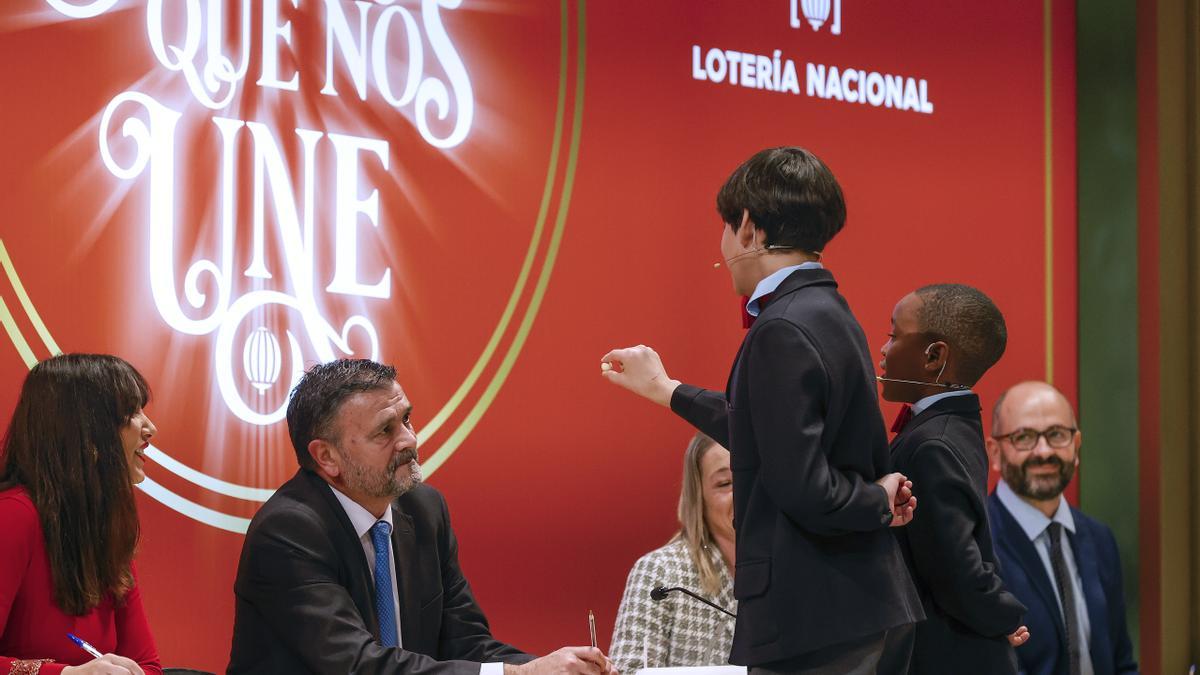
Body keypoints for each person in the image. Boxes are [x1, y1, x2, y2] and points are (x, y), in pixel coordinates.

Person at [602, 146, 923, 674]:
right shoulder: (828, 311)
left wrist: (876, 501)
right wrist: (667, 389)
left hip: (814, 621)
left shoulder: (781, 328)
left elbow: (802, 484)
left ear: (747, 227)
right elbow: (767, 433)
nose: (723, 246)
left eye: (726, 227)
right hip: (855, 610)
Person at [228, 359, 616, 675]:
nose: (409, 440)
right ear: (327, 457)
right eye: (385, 431)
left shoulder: (424, 509)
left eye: (407, 419)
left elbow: (466, 644)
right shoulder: (288, 533)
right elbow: (357, 665)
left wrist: (554, 669)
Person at [878, 284, 1029, 674]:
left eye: (894, 335)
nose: (882, 349)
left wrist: (1004, 615)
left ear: (935, 356)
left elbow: (955, 569)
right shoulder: (953, 426)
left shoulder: (933, 445)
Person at [0, 353, 162, 675]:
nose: (150, 429)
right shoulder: (14, 516)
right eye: (131, 412)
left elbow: (148, 665)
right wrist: (65, 673)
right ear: (86, 431)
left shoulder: (107, 529)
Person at [985, 381, 1139, 675]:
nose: (1043, 452)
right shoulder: (974, 545)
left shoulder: (1100, 538)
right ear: (994, 453)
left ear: (1076, 447)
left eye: (1056, 434)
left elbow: (1122, 663)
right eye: (1024, 437)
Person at [609, 433, 736, 673]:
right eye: (725, 483)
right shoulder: (661, 571)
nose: (744, 494)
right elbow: (629, 671)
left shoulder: (797, 571)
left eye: (752, 479)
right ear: (698, 496)